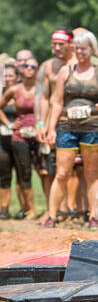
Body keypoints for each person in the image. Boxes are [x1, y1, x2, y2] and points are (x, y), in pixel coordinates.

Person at [46, 30, 98, 229]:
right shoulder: (65, 72)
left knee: (92, 174)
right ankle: (51, 216)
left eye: (84, 48)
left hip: (92, 127)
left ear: (92, 49)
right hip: (66, 127)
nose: (80, 52)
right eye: (77, 48)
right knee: (61, 173)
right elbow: (57, 102)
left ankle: (94, 216)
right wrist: (50, 128)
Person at [34, 28, 75, 223]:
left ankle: (73, 207)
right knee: (53, 168)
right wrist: (41, 123)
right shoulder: (47, 67)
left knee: (79, 169)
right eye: (54, 44)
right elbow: (42, 97)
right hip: (54, 123)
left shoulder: (80, 64)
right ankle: (54, 208)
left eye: (60, 44)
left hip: (78, 122)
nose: (56, 48)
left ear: (70, 44)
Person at [0, 57, 41, 219]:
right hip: (20, 136)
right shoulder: (14, 90)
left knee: (46, 172)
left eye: (33, 66)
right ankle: (30, 210)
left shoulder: (42, 89)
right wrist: (9, 125)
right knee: (24, 174)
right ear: (21, 69)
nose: (29, 68)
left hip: (39, 135)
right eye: (26, 66)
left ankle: (56, 211)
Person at [0, 64, 19, 219]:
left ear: (17, 77)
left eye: (10, 75)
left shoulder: (22, 91)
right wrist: (8, 124)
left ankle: (25, 209)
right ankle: (4, 209)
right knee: (4, 175)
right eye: (5, 76)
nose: (7, 78)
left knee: (23, 175)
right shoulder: (2, 92)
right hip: (3, 140)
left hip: (21, 139)